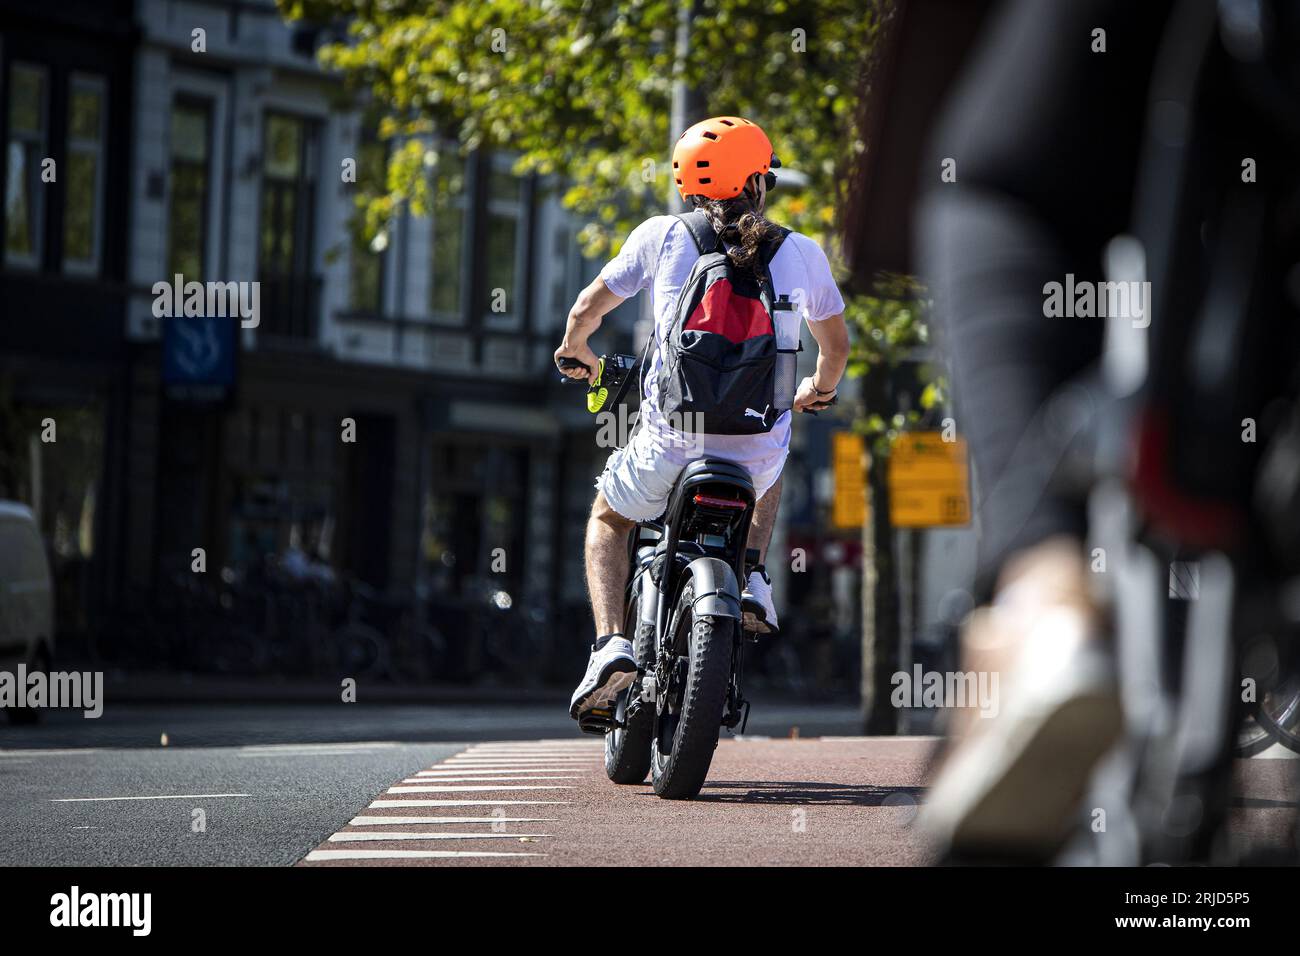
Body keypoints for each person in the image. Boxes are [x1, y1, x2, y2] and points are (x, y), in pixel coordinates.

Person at [555, 116, 850, 723]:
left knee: (608, 519)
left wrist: (575, 349)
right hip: (755, 446)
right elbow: (836, 349)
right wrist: (817, 390)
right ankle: (750, 579)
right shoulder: (802, 253)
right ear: (761, 181)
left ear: (687, 184)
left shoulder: (661, 237)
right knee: (773, 452)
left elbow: (588, 307)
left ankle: (611, 645)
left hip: (671, 439)